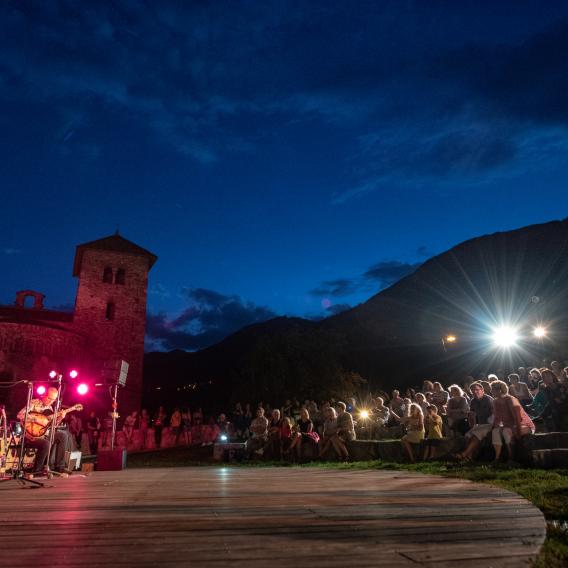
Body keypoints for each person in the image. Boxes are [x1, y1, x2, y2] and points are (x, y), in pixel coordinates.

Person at [17, 387, 75, 475]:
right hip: (31, 435)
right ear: (44, 395)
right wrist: (36, 419)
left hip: (44, 433)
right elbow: (20, 415)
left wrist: (60, 418)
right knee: (46, 443)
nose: (50, 401)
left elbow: (51, 426)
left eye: (53, 400)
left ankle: (60, 467)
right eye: (49, 398)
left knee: (63, 435)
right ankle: (37, 470)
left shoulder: (50, 409)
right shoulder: (34, 403)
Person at [491, 380, 535, 463]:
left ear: (499, 390)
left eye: (492, 389)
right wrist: (493, 427)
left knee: (506, 431)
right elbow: (497, 418)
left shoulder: (510, 399)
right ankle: (497, 458)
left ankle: (511, 457)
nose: (491, 391)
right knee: (495, 431)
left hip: (523, 425)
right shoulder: (495, 401)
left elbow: (517, 418)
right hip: (508, 425)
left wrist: (517, 431)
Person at [454, 382, 494, 462]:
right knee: (467, 435)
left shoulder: (488, 399)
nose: (475, 392)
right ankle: (470, 457)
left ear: (482, 390)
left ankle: (464, 454)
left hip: (490, 424)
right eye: (473, 391)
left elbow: (495, 414)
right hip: (480, 425)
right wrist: (472, 426)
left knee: (476, 434)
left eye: (477, 390)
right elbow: (472, 415)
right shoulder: (473, 401)